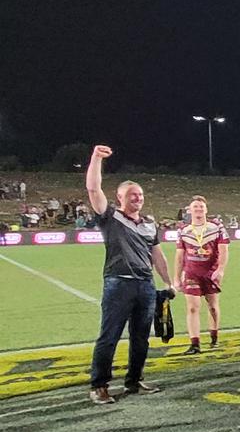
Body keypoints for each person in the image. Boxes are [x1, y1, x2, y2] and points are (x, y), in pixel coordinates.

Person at [84, 145, 173, 405]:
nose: (138, 198)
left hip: (145, 285)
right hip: (118, 284)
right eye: (132, 195)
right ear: (120, 197)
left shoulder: (148, 223)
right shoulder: (111, 217)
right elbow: (93, 189)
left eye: (141, 194)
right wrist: (96, 158)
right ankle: (99, 385)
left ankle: (134, 380)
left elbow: (157, 254)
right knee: (109, 336)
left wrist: (168, 281)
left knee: (141, 338)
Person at [172, 195, 230, 354]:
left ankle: (214, 336)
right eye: (195, 207)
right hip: (191, 273)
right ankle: (195, 343)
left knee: (212, 306)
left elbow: (224, 250)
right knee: (192, 307)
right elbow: (179, 255)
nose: (198, 209)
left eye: (201, 207)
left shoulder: (216, 227)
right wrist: (176, 277)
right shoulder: (183, 230)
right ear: (190, 210)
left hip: (210, 273)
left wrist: (220, 269)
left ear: (206, 209)